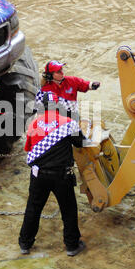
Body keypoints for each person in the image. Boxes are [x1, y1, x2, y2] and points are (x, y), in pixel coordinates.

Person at [19, 91, 87, 257]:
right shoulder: (68, 123)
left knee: (33, 208)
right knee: (68, 209)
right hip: (61, 176)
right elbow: (81, 143)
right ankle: (71, 246)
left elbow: (28, 149)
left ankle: (25, 243)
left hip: (38, 175)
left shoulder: (34, 124)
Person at [35, 60, 101, 118]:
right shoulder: (44, 90)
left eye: (61, 70)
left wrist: (92, 85)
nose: (62, 73)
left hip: (73, 116)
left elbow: (84, 84)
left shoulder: (71, 81)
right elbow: (39, 111)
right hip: (56, 119)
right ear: (50, 75)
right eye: (58, 71)